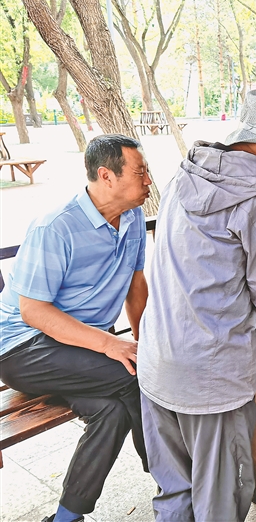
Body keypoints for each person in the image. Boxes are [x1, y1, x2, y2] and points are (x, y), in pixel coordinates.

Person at [138, 89, 256, 521]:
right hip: (210, 373)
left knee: (174, 490)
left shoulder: (186, 174)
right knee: (222, 495)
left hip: (157, 359)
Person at [0, 135, 152, 522]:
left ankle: (66, 517)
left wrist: (147, 340)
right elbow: (33, 311)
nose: (149, 179)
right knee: (138, 376)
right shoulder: (56, 227)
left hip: (77, 349)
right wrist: (110, 345)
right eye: (140, 172)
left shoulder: (132, 216)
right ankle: (175, 480)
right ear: (107, 176)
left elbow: (136, 287)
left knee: (112, 413)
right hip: (23, 348)